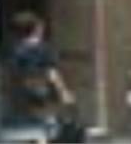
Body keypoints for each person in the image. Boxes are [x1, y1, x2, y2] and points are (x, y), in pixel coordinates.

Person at [8, 11, 79, 141]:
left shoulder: (18, 50)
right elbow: (52, 72)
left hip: (28, 87)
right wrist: (63, 91)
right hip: (45, 85)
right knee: (55, 115)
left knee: (42, 117)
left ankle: (47, 133)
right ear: (36, 29)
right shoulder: (43, 48)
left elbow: (15, 71)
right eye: (40, 27)